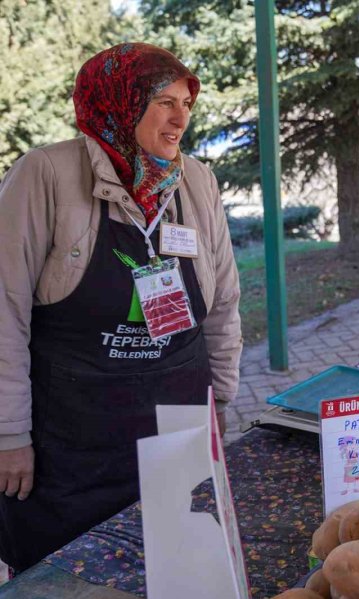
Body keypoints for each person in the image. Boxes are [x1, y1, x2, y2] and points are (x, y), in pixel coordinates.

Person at [0, 43, 242, 572]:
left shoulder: (196, 180)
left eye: (186, 102)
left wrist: (220, 399)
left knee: (174, 566)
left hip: (177, 415)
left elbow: (222, 302)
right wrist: (8, 434)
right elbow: (4, 315)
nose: (180, 117)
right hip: (73, 437)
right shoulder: (43, 176)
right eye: (162, 101)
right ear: (117, 102)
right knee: (66, 575)